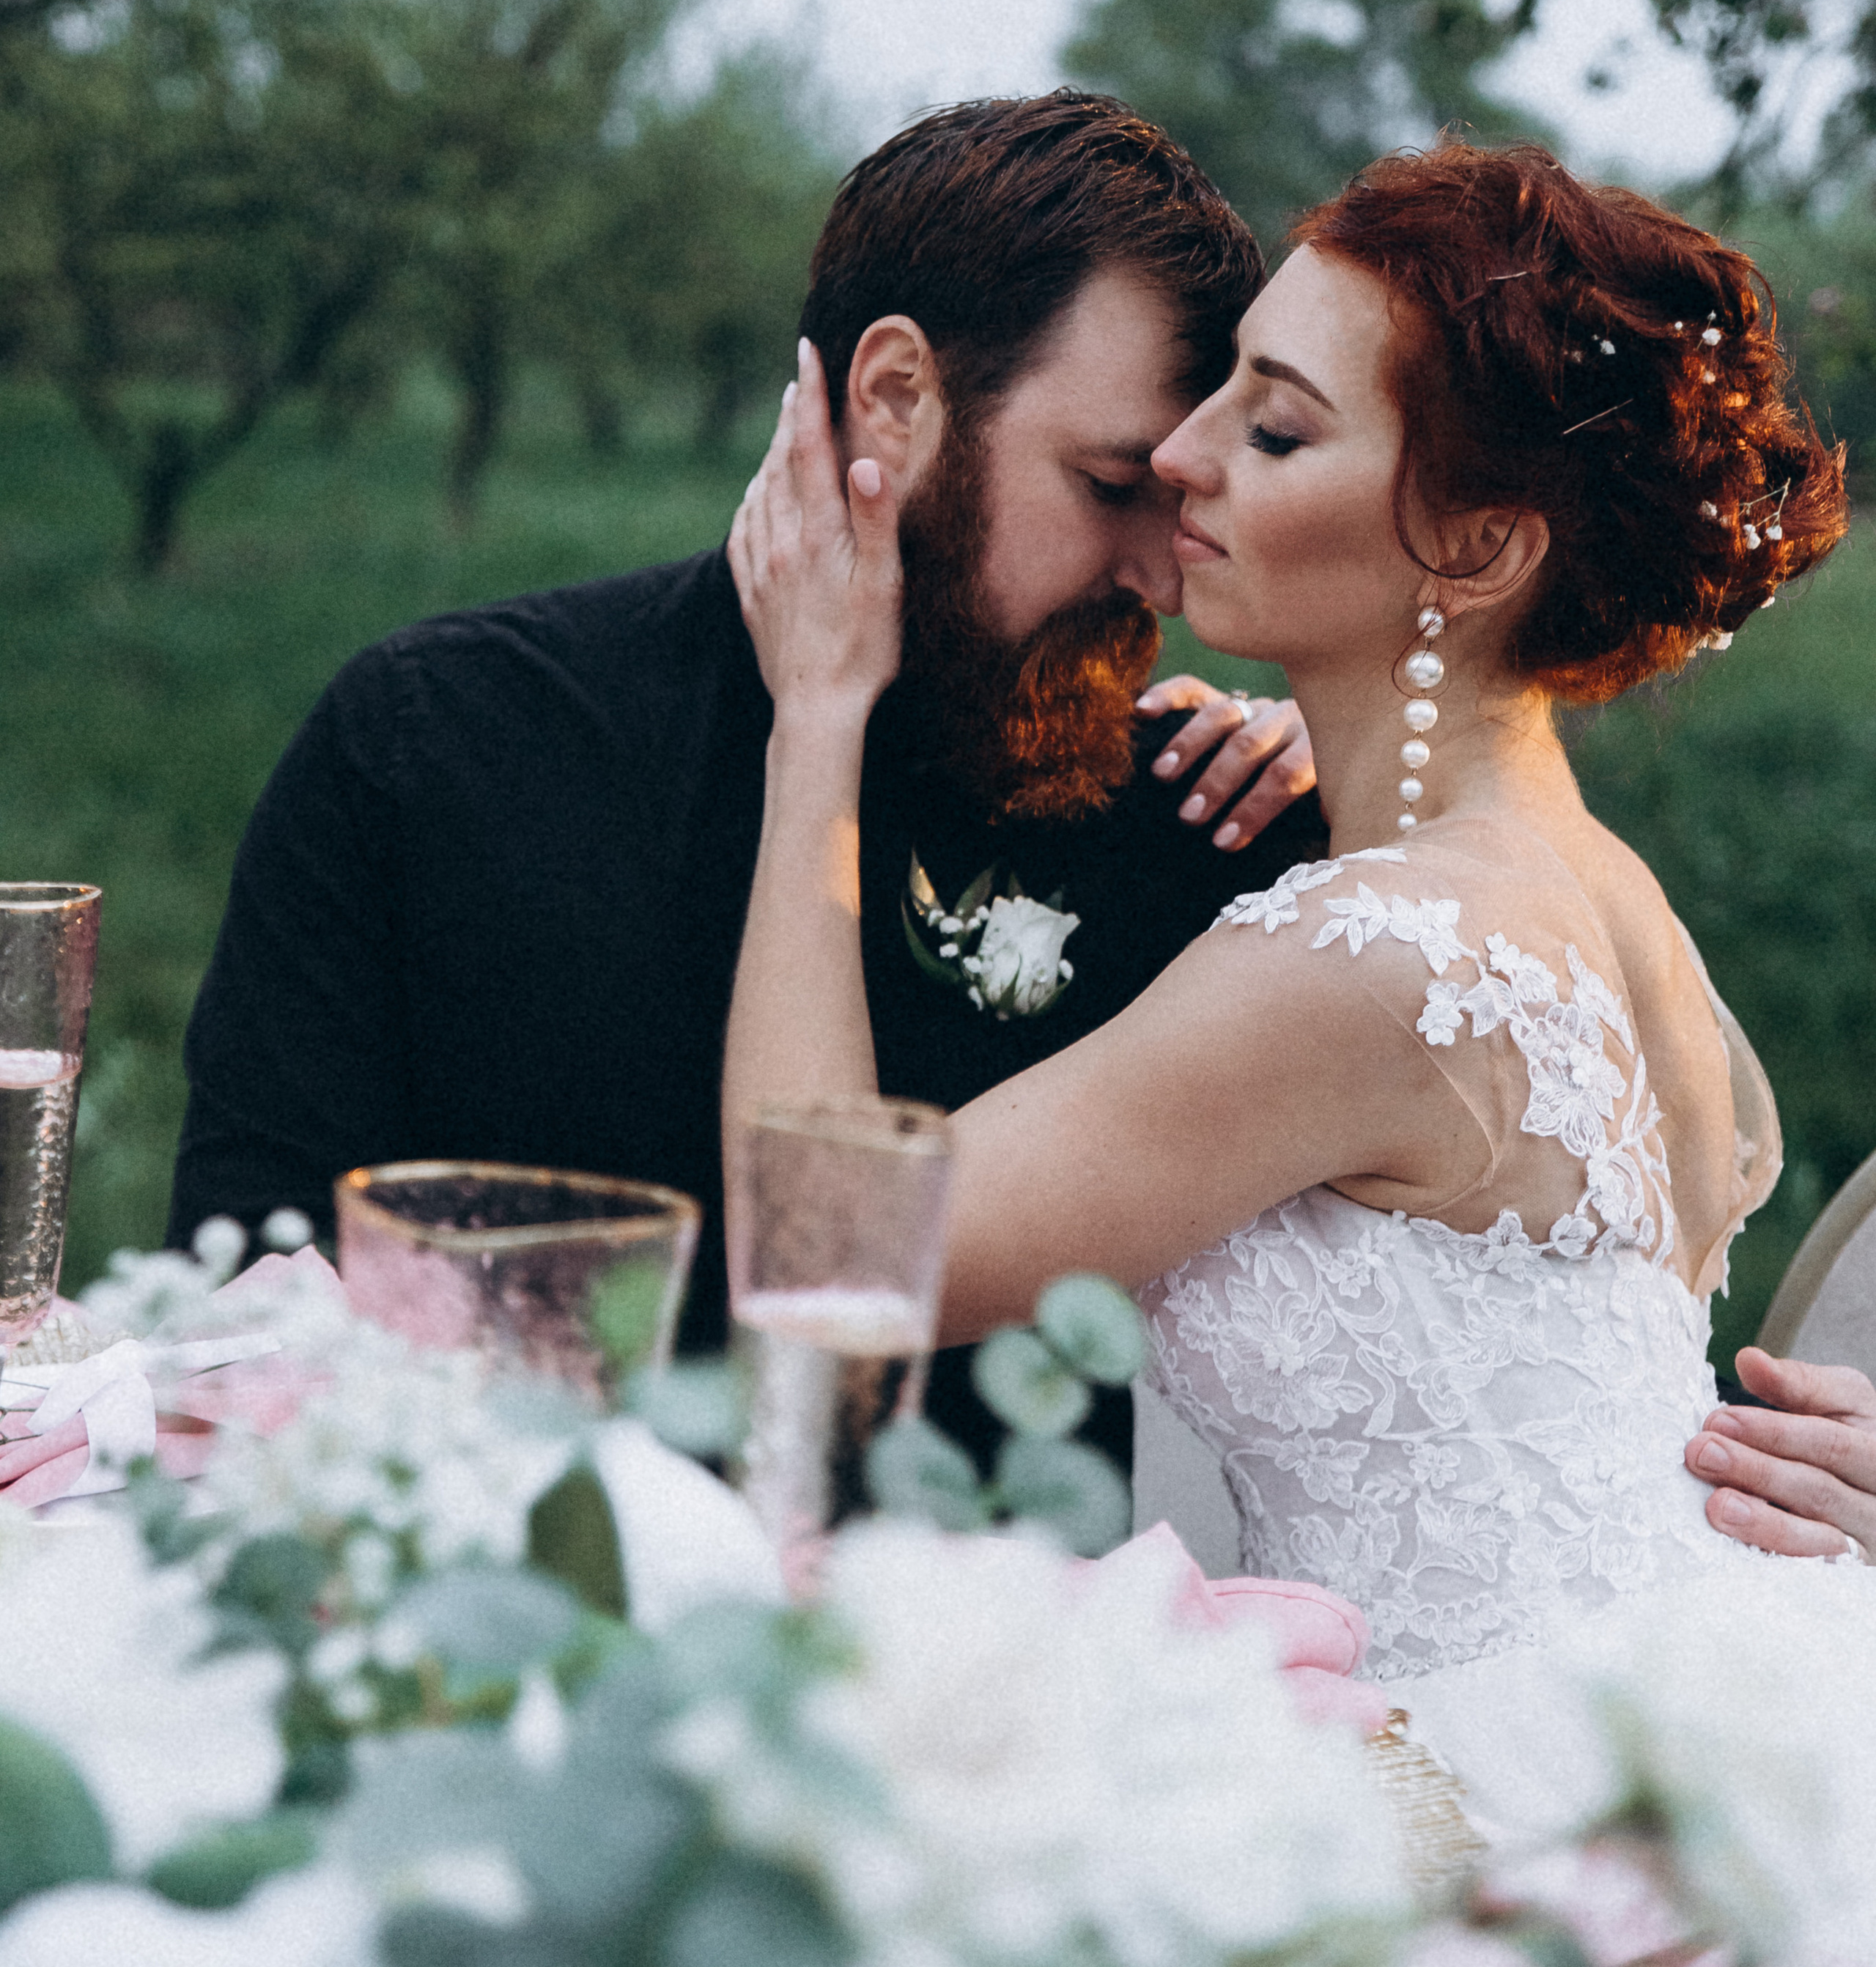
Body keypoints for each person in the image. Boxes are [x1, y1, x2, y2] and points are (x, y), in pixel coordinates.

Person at [725, 135, 1876, 1648]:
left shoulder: (1370, 965)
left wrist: (817, 718)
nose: (1179, 454)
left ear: (1472, 549)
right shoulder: (1615, 915)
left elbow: (822, 1256)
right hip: (1672, 1681)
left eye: (1270, 432)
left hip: (1470, 1768)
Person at [168, 92, 1323, 1463]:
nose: (1156, 578)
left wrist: (1367, 782)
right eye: (1111, 484)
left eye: (1181, 502)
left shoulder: (1194, 805)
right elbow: (239, 1313)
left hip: (1012, 1644)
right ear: (895, 397)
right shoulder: (437, 743)